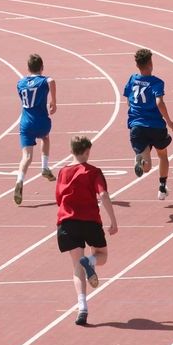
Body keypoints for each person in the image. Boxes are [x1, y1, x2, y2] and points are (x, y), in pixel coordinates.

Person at [55, 136, 118, 326]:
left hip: (67, 221)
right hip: (90, 221)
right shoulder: (94, 172)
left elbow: (58, 197)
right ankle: (90, 261)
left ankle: (82, 307)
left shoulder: (62, 172)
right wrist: (113, 221)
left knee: (76, 267)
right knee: (102, 256)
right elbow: (104, 195)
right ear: (87, 152)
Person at [124, 48, 173, 200]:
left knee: (146, 168)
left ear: (137, 65)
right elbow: (159, 102)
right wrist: (168, 120)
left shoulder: (132, 79)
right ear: (150, 64)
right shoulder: (157, 82)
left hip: (137, 126)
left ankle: (140, 160)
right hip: (155, 126)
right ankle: (162, 187)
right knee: (163, 155)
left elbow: (128, 100)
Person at [14, 54, 57, 205]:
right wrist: (54, 101)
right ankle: (45, 167)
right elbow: (51, 80)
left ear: (28, 68)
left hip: (25, 122)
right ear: (42, 67)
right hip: (41, 120)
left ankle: (20, 180)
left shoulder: (20, 83)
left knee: (26, 157)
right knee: (45, 138)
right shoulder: (43, 81)